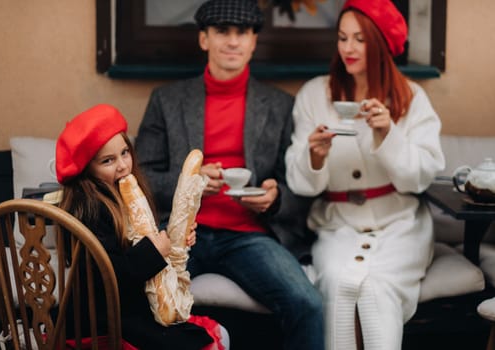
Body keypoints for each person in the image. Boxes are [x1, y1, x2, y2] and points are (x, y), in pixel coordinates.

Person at [134, 1, 325, 349]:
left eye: (242, 33)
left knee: (308, 305)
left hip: (248, 236)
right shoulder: (167, 100)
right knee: (136, 297)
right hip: (182, 232)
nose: (233, 41)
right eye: (222, 31)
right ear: (204, 39)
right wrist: (188, 185)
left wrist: (275, 197)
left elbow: (298, 186)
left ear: (254, 42)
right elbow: (141, 177)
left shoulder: (281, 105)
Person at [284, 0, 446, 349]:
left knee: (375, 288)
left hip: (401, 225)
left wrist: (389, 134)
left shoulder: (411, 99)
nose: (348, 48)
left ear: (381, 43)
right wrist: (314, 156)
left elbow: (421, 177)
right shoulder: (315, 95)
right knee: (340, 283)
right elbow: (299, 182)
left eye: (360, 39)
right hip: (337, 224)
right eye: (342, 38)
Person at [55, 104, 229, 350]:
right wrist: (154, 251)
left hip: (133, 308)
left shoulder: (126, 197)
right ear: (87, 170)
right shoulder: (89, 210)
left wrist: (174, 240)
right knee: (206, 342)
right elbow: (108, 276)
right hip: (103, 322)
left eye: (125, 153)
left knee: (217, 332)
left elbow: (140, 239)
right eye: (108, 160)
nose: (123, 165)